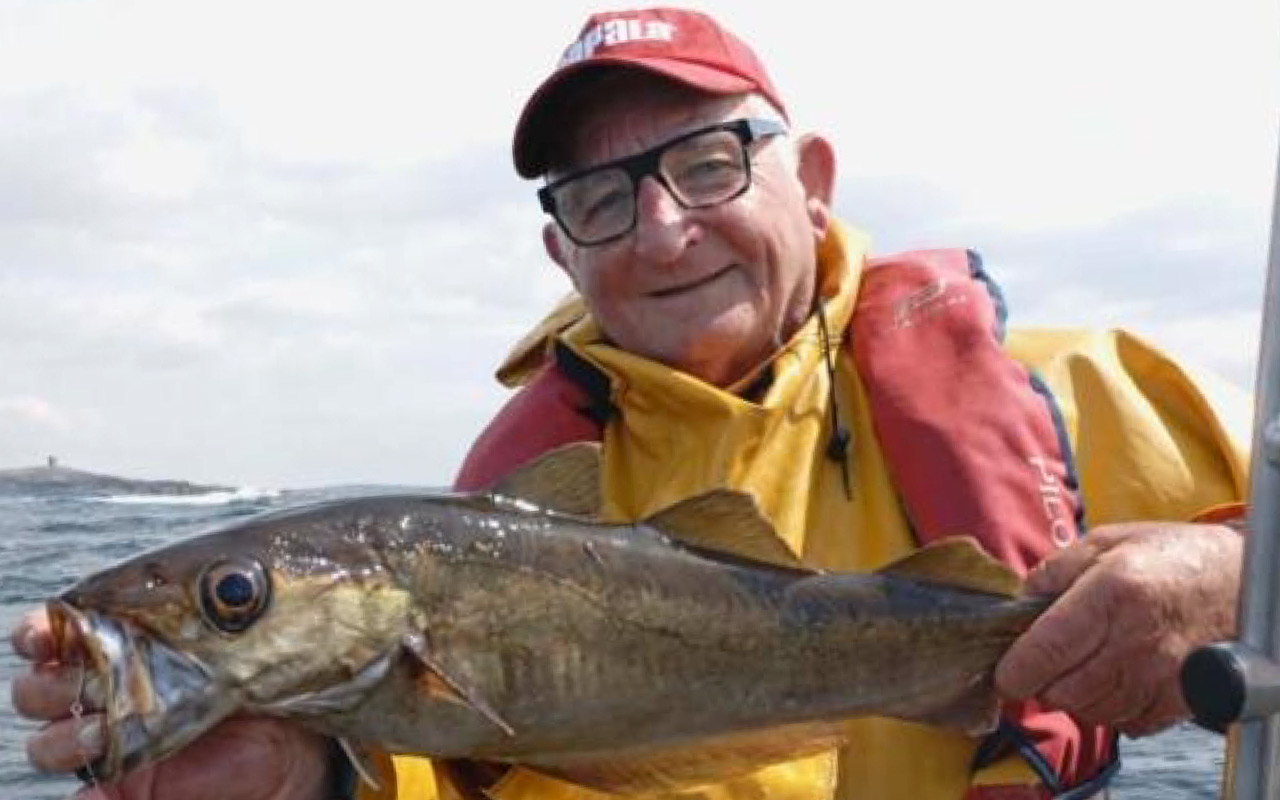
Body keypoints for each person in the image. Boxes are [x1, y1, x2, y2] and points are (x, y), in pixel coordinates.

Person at [11, 7, 1248, 800]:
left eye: (707, 162)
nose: (661, 231)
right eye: (598, 199)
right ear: (562, 253)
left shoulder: (1069, 389)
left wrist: (1229, 574)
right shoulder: (506, 496)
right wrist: (311, 784)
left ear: (806, 178)